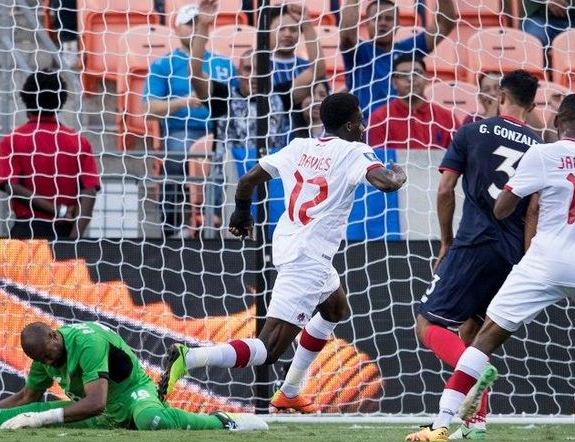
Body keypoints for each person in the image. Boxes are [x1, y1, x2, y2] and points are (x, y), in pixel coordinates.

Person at [157, 93, 407, 413]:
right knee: (269, 348)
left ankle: (289, 391)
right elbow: (386, 183)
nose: (363, 127)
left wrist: (241, 214)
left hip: (290, 243)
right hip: (309, 257)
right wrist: (398, 173)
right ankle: (189, 358)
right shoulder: (355, 151)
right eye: (360, 120)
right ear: (349, 125)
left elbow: (247, 180)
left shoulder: (299, 145)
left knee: (334, 308)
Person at [407, 94, 575, 442]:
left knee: (484, 339)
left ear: (556, 124)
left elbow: (505, 208)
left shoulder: (543, 153)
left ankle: (442, 422)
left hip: (545, 262)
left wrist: (509, 196)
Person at [414, 70, 542, 441]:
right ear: (532, 104)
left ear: (499, 95)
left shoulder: (471, 132)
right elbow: (535, 208)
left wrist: (445, 241)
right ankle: (476, 421)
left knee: (428, 324)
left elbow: (444, 189)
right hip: (511, 253)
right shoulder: (539, 146)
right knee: (473, 331)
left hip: (472, 243)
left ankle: (470, 371)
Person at [0, 321, 267, 431]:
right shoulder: (43, 356)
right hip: (94, 412)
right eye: (41, 360)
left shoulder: (87, 341)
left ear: (54, 334)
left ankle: (221, 422)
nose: (47, 362)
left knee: (151, 420)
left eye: (47, 354)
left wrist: (41, 418)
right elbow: (27, 396)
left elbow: (96, 402)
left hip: (131, 395)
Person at [189, 0, 289, 232]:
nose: (254, 75)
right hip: (229, 180)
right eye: (247, 69)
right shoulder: (224, 96)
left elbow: (316, 73)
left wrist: (305, 26)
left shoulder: (282, 96)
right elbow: (195, 75)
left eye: (260, 69)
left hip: (272, 180)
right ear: (238, 73)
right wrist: (203, 26)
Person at [144, 3, 236, 236]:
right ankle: (174, 227)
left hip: (223, 131)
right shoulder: (163, 65)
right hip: (182, 130)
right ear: (177, 29)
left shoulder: (224, 63)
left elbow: (240, 98)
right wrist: (182, 102)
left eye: (199, 22)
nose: (195, 28)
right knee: (177, 156)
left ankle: (216, 221)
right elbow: (149, 109)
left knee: (225, 156)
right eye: (189, 23)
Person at [0, 69, 100, 241]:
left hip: (27, 232)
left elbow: (11, 186)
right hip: (64, 232)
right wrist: (74, 238)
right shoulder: (79, 142)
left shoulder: (13, 140)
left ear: (25, 100)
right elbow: (89, 192)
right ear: (61, 102)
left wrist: (59, 210)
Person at [339, 0, 456, 119]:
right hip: (365, 127)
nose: (383, 23)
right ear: (366, 23)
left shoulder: (408, 49)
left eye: (389, 19)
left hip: (404, 127)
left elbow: (445, 24)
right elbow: (347, 33)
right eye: (376, 18)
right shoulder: (359, 51)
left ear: (398, 24)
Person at [367, 55, 457, 150]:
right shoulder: (379, 119)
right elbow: (376, 160)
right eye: (403, 75)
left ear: (426, 79)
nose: (411, 79)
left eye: (416, 73)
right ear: (394, 82)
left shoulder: (447, 118)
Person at [266, 3, 326, 118]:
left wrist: (306, 24)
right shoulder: (256, 66)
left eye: (294, 30)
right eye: (281, 29)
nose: (288, 34)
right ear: (267, 31)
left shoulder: (308, 66)